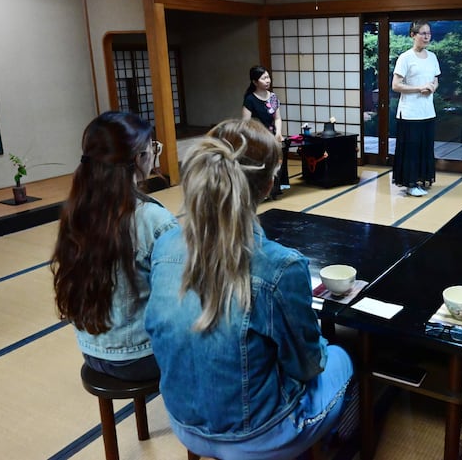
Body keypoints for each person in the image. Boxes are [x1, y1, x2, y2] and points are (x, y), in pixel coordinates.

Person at [145, 119, 353, 460]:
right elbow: (307, 366)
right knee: (342, 358)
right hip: (259, 434)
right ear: (268, 183)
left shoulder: (166, 245)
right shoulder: (279, 266)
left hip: (183, 423)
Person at [51, 111, 178, 381]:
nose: (155, 154)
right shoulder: (152, 218)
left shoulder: (78, 208)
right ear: (138, 159)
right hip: (141, 354)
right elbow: (178, 294)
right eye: (152, 148)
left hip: (91, 349)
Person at [391, 20, 441, 197]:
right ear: (413, 35)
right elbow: (396, 85)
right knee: (411, 149)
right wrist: (418, 88)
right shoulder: (405, 57)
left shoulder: (432, 57)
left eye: (429, 33)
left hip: (427, 110)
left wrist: (432, 87)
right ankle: (410, 183)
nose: (427, 36)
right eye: (423, 33)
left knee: (424, 147)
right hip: (410, 112)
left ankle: (421, 179)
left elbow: (435, 79)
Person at [242, 65, 289, 197]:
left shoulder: (273, 97)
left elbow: (278, 118)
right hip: (259, 138)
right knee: (262, 165)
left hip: (273, 136)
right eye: (263, 78)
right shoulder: (250, 99)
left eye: (268, 77)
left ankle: (274, 189)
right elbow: (246, 123)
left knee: (276, 163)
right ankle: (260, 191)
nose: (267, 80)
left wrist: (278, 133)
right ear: (255, 82)